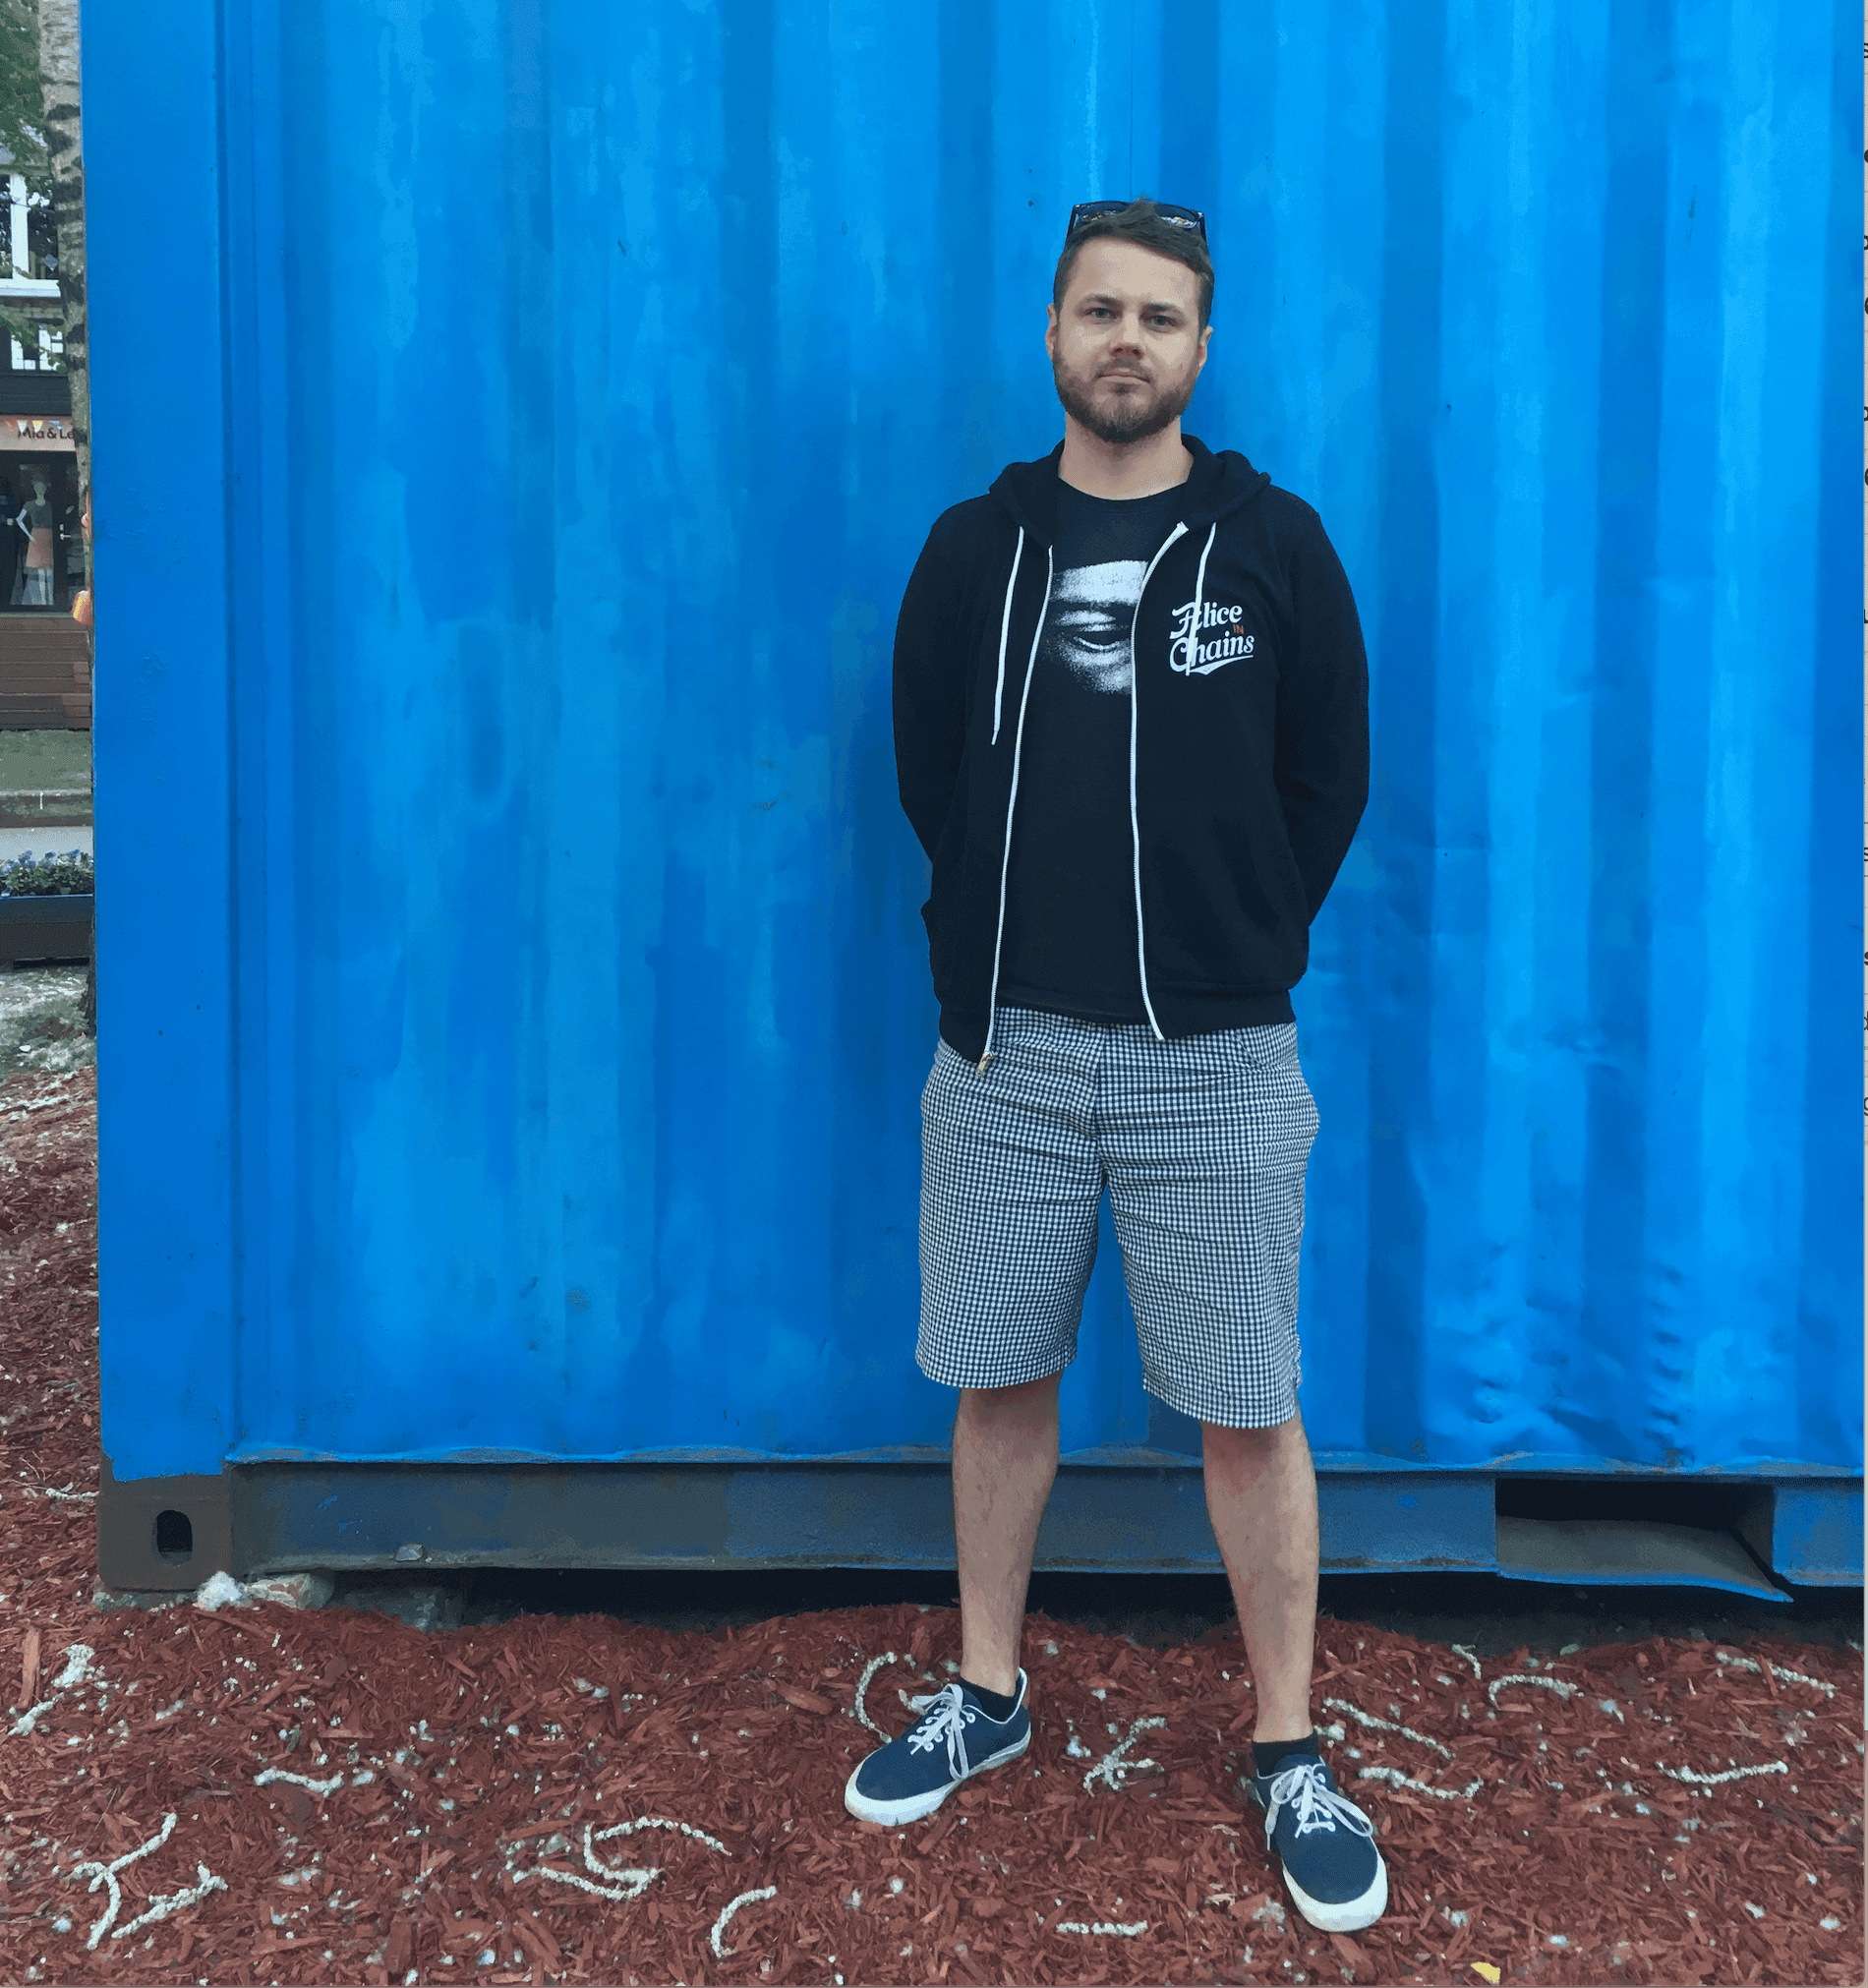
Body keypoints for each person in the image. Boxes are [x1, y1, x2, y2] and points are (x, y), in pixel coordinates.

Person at [848, 197, 1384, 1934]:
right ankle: (988, 1691)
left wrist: (1239, 938)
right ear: (1054, 332)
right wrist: (986, 943)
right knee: (999, 1380)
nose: (1128, 340)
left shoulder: (1276, 546)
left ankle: (1288, 1744)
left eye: (1161, 316)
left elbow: (1329, 778)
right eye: (1101, 311)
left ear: (1203, 346)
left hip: (1213, 1062)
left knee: (1248, 1404)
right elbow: (930, 766)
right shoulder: (974, 549)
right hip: (1005, 1051)